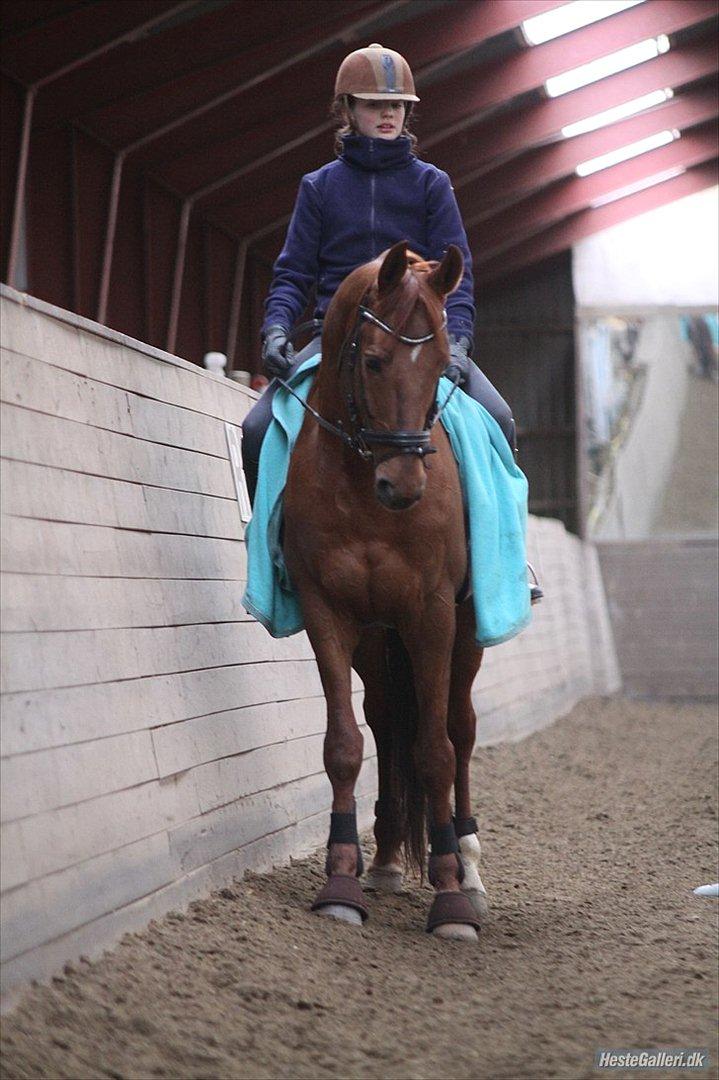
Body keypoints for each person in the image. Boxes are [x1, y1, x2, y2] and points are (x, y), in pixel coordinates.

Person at [242, 43, 542, 601]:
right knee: (257, 429)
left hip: (420, 339)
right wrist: (277, 330)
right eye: (376, 105)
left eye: (398, 106)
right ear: (348, 110)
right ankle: (276, 552)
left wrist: (458, 344)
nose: (389, 115)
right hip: (340, 340)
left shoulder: (431, 184)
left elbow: (460, 274)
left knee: (499, 419)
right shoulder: (320, 188)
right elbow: (291, 274)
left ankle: (504, 563)